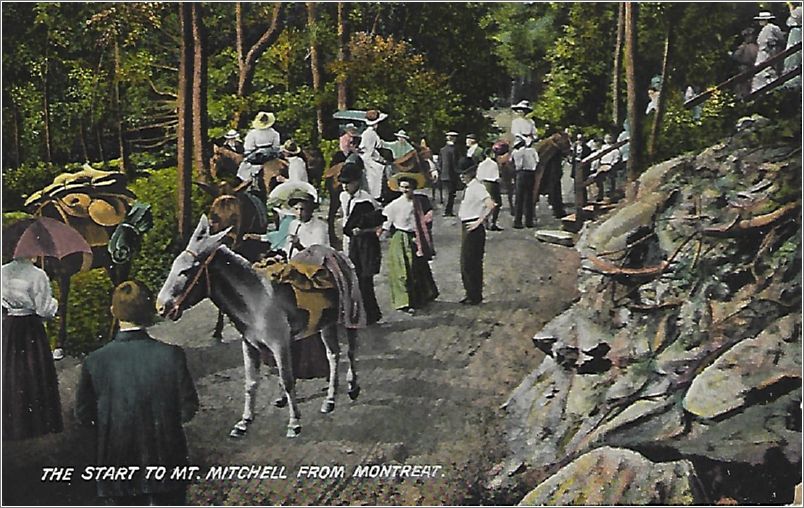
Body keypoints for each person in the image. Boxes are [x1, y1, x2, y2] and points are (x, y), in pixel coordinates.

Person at [76, 280, 199, 505]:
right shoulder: (172, 355)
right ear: (150, 312)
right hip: (167, 461)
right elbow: (188, 408)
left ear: (113, 312)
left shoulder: (95, 361)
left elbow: (84, 415)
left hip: (118, 462)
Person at [2, 256, 62, 441]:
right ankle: (37, 423)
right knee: (34, 370)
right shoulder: (38, 275)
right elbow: (44, 310)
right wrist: (54, 303)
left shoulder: (2, 271)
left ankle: (9, 422)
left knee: (10, 371)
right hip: (30, 328)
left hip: (9, 326)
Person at [382, 173, 439, 315]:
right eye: (403, 187)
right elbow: (385, 223)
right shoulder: (395, 205)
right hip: (400, 238)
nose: (405, 190)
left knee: (418, 268)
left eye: (408, 187)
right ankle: (404, 302)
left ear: (413, 188)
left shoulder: (418, 202)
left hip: (415, 238)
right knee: (403, 270)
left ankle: (422, 297)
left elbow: (428, 213)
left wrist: (427, 219)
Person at [339, 155, 384, 324]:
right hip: (350, 240)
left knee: (364, 279)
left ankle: (371, 315)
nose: (345, 186)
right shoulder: (344, 197)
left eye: (348, 183)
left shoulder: (365, 200)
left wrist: (363, 230)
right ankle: (356, 313)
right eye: (343, 183)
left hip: (364, 243)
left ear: (357, 181)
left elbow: (376, 222)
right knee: (351, 278)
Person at [457, 158, 496, 305]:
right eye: (460, 174)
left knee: (469, 263)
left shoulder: (477, 187)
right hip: (467, 225)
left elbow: (491, 205)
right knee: (467, 262)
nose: (462, 176)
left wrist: (478, 222)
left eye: (465, 173)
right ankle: (472, 294)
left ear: (472, 172)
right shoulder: (470, 187)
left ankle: (474, 296)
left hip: (473, 227)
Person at [238, 111, 281, 184]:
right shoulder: (274, 133)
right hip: (271, 154)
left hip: (258, 155)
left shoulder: (252, 133)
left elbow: (249, 147)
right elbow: (276, 147)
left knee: (245, 163)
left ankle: (248, 181)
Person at [283, 191, 329, 258]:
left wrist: (299, 246)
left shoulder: (320, 226)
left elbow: (317, 253)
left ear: (310, 210)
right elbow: (287, 247)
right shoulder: (293, 224)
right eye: (296, 209)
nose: (299, 212)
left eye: (302, 209)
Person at [359, 109, 390, 200]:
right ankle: (376, 195)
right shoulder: (371, 134)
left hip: (366, 155)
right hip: (369, 157)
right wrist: (381, 159)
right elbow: (371, 151)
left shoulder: (368, 133)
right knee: (380, 169)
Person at [751, 11, 786, 92]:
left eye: (762, 19)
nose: (760, 21)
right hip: (762, 55)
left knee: (768, 74)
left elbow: (781, 40)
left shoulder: (773, 28)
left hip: (769, 54)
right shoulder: (763, 30)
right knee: (760, 75)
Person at [511, 133, 540, 229]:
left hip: (520, 174)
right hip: (530, 174)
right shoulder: (532, 151)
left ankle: (517, 221)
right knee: (529, 198)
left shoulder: (515, 152)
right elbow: (537, 161)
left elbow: (512, 163)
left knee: (519, 199)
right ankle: (529, 221)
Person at [477, 144, 505, 231]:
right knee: (497, 203)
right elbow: (496, 177)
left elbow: (478, 176)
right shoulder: (493, 164)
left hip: (483, 183)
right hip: (492, 184)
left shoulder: (481, 164)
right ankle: (493, 222)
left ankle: (485, 221)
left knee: (486, 204)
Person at [731, 27, 759, 98]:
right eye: (747, 36)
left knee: (752, 83)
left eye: (751, 35)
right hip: (744, 67)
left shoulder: (756, 46)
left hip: (754, 67)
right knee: (743, 84)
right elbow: (735, 57)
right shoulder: (743, 46)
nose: (750, 37)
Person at [438, 131, 460, 217]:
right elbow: (455, 163)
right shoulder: (454, 149)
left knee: (446, 193)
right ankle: (448, 210)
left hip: (444, 175)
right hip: (452, 175)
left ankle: (446, 210)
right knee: (451, 194)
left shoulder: (442, 149)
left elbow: (439, 163)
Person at [594, 134, 621, 202]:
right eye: (607, 138)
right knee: (599, 181)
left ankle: (610, 196)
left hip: (610, 166)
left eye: (609, 138)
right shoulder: (603, 148)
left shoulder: (615, 149)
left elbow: (617, 158)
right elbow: (598, 156)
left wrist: (612, 165)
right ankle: (600, 196)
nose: (608, 140)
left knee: (610, 182)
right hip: (602, 165)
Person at [783, 3, 802, 89]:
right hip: (796, 32)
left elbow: (794, 17)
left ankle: (793, 82)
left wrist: (791, 7)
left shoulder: (799, 10)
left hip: (797, 33)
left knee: (794, 56)